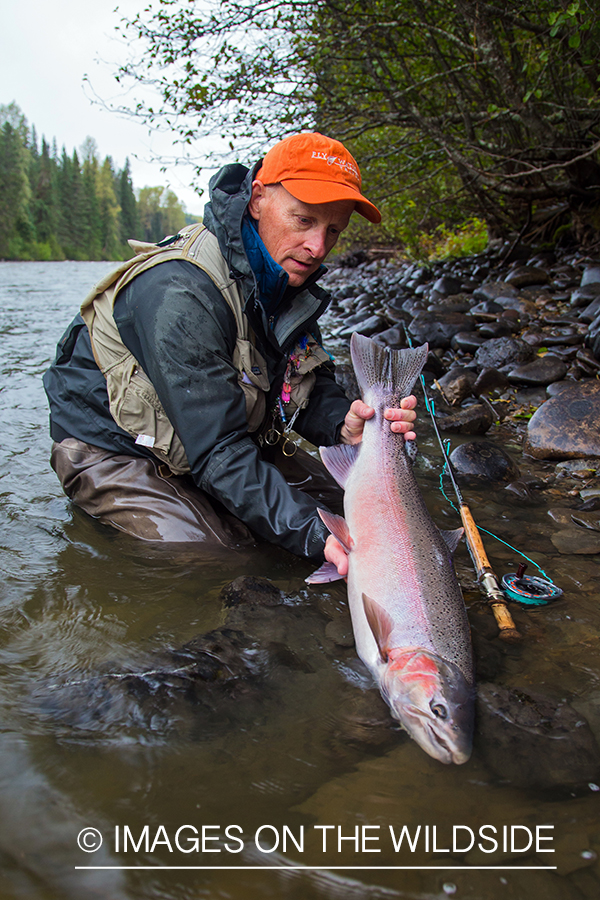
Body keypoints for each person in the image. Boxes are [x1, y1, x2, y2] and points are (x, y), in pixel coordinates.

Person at [43, 132, 416, 577]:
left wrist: (344, 424)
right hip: (115, 448)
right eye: (303, 220)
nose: (318, 247)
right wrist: (318, 538)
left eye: (332, 230)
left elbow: (308, 388)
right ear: (258, 200)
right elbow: (219, 454)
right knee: (228, 553)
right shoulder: (180, 292)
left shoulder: (286, 278)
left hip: (218, 438)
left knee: (355, 509)